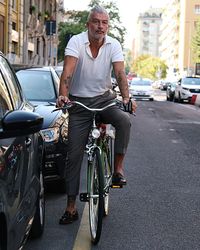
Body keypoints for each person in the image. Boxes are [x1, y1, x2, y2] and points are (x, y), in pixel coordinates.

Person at [56, 5, 137, 225]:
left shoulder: (114, 44)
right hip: (79, 103)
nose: (100, 26)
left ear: (107, 25)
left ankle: (118, 170)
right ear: (88, 24)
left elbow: (120, 73)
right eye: (96, 22)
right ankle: (71, 208)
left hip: (105, 100)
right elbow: (67, 73)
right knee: (73, 155)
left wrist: (126, 99)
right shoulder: (76, 42)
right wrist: (63, 96)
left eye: (104, 22)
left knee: (124, 121)